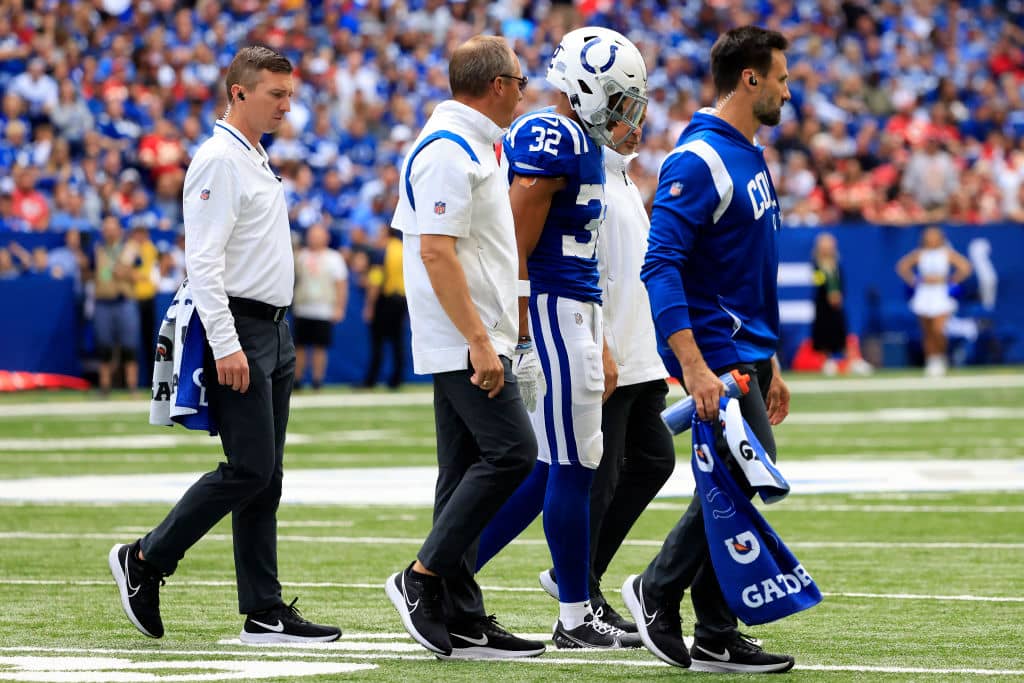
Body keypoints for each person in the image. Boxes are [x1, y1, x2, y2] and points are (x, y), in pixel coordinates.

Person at [108, 46, 340, 644]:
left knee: (268, 475)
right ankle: (145, 558)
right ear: (239, 92)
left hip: (273, 328)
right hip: (241, 327)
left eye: (290, 95)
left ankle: (264, 611)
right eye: (275, 94)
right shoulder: (218, 159)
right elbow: (203, 263)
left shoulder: (253, 155)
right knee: (250, 468)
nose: (286, 106)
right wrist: (226, 342)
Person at [620, 26, 796, 673]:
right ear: (750, 78)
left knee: (733, 479)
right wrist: (694, 366)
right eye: (780, 77)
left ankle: (717, 630)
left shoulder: (748, 153)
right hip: (715, 357)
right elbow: (660, 264)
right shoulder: (699, 159)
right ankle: (655, 588)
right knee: (746, 474)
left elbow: (745, 274)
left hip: (744, 354)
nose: (787, 90)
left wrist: (770, 360)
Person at [473, 27, 648, 649]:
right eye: (619, 100)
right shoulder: (549, 134)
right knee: (573, 466)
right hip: (550, 311)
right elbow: (513, 248)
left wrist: (601, 336)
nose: (629, 114)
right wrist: (518, 332)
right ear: (585, 88)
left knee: (557, 465)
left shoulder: (585, 144)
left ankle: (444, 572)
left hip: (577, 312)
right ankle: (574, 615)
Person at [384, 35, 545, 660]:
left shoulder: (471, 143)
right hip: (462, 337)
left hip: (473, 331)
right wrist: (479, 339)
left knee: (459, 473)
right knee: (513, 454)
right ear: (497, 84)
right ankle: (420, 577)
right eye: (520, 81)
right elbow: (435, 252)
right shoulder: (448, 149)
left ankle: (462, 613)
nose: (524, 92)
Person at [536, 112, 676, 634]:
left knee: (654, 460)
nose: (635, 126)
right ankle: (580, 596)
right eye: (624, 116)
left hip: (640, 349)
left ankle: (578, 575)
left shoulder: (622, 175)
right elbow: (585, 267)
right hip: (609, 346)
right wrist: (603, 346)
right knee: (599, 474)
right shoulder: (591, 172)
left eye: (639, 116)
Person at [896, 225, 972, 377]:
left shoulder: (946, 253)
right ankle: (931, 360)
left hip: (940, 294)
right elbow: (902, 266)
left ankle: (941, 357)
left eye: (933, 235)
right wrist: (915, 280)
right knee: (927, 331)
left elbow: (965, 267)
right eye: (928, 235)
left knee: (938, 329)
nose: (930, 238)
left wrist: (950, 280)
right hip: (924, 294)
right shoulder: (920, 254)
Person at [292, 223, 348, 390]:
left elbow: (341, 284)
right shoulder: (300, 256)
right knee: (299, 346)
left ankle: (317, 380)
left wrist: (339, 307)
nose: (314, 239)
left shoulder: (334, 258)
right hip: (302, 307)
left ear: (326, 237)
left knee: (320, 347)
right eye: (312, 235)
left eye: (318, 235)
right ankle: (297, 380)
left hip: (324, 309)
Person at [810, 232, 872, 376]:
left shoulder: (837, 263)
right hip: (823, 305)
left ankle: (853, 360)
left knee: (842, 331)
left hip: (836, 305)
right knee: (824, 332)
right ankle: (827, 362)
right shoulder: (816, 265)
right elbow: (818, 282)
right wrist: (828, 294)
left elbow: (840, 282)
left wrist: (838, 295)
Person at [92, 215, 140, 395]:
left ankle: (132, 386)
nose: (110, 232)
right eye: (106, 228)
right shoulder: (97, 249)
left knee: (129, 344)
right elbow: (89, 271)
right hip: (103, 301)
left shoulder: (130, 249)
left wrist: (126, 273)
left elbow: (141, 273)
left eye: (113, 228)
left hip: (125, 300)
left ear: (120, 230)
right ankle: (104, 386)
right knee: (104, 344)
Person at [362, 227, 408, 389]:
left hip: (385, 298)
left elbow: (376, 279)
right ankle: (397, 378)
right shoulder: (402, 248)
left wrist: (369, 305)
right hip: (402, 298)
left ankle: (371, 379)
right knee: (397, 341)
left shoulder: (382, 251)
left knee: (378, 341)